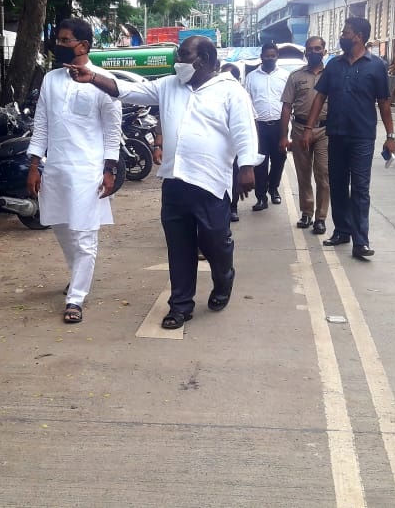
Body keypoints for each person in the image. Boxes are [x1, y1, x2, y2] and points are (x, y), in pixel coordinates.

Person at [66, 35, 260, 329]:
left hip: (210, 183)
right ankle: (180, 306)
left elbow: (244, 130)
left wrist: (247, 167)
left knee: (215, 242)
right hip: (174, 181)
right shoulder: (169, 86)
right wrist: (93, 77)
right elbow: (130, 90)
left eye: (184, 55)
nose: (177, 62)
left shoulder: (230, 91)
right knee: (179, 247)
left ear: (204, 59)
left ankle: (224, 277)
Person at [26, 18, 121, 324]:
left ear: (84, 46)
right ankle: (78, 275)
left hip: (87, 171)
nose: (59, 45)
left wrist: (110, 169)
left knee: (85, 237)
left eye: (65, 41)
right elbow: (41, 124)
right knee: (60, 227)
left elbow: (112, 130)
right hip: (56, 169)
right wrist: (34, 165)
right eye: (58, 40)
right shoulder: (51, 80)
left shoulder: (103, 81)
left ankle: (76, 298)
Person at [297, 17, 395, 260]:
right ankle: (342, 231)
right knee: (338, 185)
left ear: (359, 36)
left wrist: (391, 135)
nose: (342, 36)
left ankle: (361, 241)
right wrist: (309, 128)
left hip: (362, 136)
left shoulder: (376, 66)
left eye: (346, 32)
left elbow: (384, 102)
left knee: (360, 188)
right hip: (336, 134)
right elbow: (320, 97)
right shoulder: (334, 65)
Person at [279, 36, 329, 235]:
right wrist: (284, 136)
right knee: (303, 173)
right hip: (299, 129)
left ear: (324, 51)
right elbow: (286, 107)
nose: (314, 52)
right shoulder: (295, 76)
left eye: (318, 48)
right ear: (305, 52)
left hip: (325, 130)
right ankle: (307, 212)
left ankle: (321, 218)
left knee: (323, 174)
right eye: (310, 49)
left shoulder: (332, 75)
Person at [244, 43, 290, 211]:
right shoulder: (251, 77)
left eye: (273, 56)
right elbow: (247, 102)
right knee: (260, 164)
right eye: (267, 56)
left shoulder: (285, 76)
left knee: (279, 160)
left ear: (277, 56)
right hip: (259, 127)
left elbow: (289, 102)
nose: (270, 58)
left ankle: (273, 188)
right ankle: (261, 197)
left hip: (279, 125)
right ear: (261, 56)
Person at [220, 62, 243, 222]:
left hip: (233, 146)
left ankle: (233, 207)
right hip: (216, 146)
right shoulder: (211, 94)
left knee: (234, 176)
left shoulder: (241, 95)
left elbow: (250, 123)